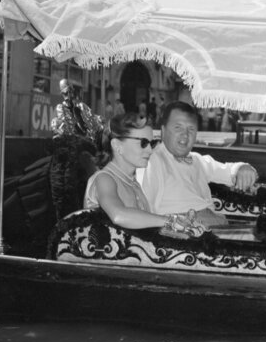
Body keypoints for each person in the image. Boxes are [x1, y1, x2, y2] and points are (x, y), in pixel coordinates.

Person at [140, 101, 259, 227]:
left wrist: (243, 168)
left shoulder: (197, 160)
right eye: (178, 127)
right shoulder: (152, 161)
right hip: (185, 236)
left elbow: (229, 171)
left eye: (191, 129)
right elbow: (143, 210)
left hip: (215, 228)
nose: (185, 135)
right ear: (163, 131)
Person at [84, 113, 198, 232]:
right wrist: (170, 221)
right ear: (117, 145)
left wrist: (179, 221)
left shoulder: (132, 181)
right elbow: (119, 215)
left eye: (152, 143)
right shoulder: (104, 179)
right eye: (143, 143)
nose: (150, 150)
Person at [49, 79, 104, 221]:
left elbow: (94, 125)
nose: (68, 95)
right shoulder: (61, 109)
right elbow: (64, 130)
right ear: (62, 94)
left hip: (86, 150)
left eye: (70, 91)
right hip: (72, 153)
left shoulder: (82, 108)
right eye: (65, 93)